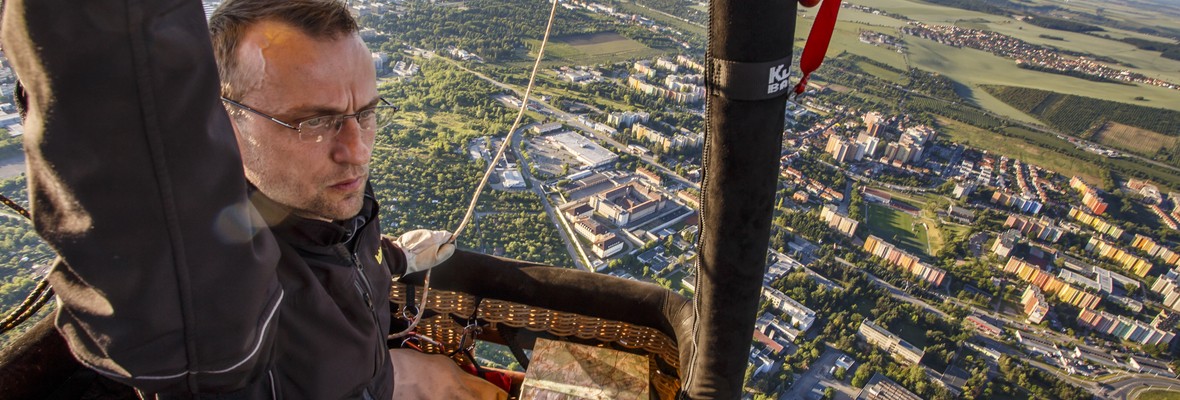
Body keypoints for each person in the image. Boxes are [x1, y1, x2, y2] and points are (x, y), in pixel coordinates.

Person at [0, 0, 496, 398]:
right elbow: (129, 119)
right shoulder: (215, 290)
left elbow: (330, 261)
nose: (356, 151)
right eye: (313, 121)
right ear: (223, 120)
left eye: (365, 113)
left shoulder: (326, 205)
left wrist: (393, 257)